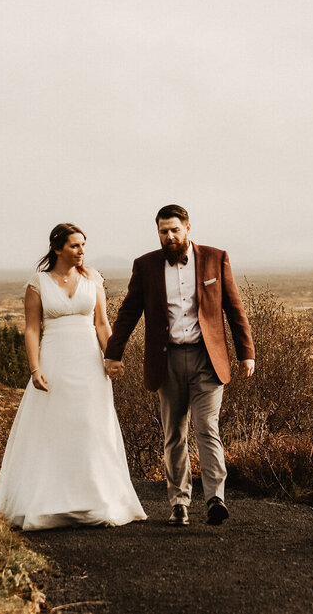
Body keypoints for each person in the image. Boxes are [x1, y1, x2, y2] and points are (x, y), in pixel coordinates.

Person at [105, 204, 255, 527]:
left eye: (174, 229)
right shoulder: (145, 267)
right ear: (158, 232)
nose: (169, 236)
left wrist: (247, 352)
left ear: (188, 228)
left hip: (207, 360)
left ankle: (215, 498)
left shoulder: (216, 258)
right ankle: (179, 503)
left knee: (207, 428)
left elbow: (234, 307)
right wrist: (113, 352)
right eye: (163, 231)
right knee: (174, 433)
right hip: (167, 359)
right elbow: (128, 312)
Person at [0, 223, 147, 530]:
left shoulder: (93, 279)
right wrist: (35, 368)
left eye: (83, 246)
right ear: (57, 248)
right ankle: (49, 502)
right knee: (54, 426)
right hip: (55, 360)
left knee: (92, 425)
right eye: (75, 246)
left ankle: (97, 501)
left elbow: (102, 323)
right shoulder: (38, 283)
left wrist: (112, 356)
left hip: (89, 362)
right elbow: (32, 328)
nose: (81, 251)